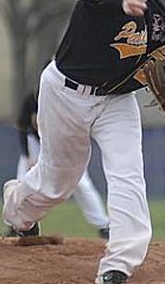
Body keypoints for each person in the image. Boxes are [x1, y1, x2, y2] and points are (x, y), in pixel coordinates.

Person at [2, 0, 165, 284]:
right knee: (59, 181)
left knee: (128, 172)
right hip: (64, 92)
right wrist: (123, 0)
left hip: (116, 101)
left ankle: (119, 261)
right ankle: (17, 213)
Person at [14, 89, 110, 239]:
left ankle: (103, 226)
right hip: (36, 143)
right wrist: (27, 156)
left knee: (82, 183)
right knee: (21, 180)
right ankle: (18, 225)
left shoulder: (65, 99)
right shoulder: (32, 99)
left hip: (62, 142)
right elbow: (22, 128)